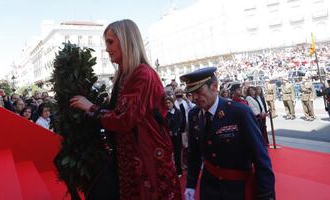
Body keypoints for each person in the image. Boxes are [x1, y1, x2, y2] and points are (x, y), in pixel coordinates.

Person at [70, 19, 181, 200]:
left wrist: (90, 107)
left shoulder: (142, 74)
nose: (107, 49)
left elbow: (123, 119)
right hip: (133, 161)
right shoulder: (126, 74)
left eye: (110, 42)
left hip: (147, 163)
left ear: (126, 41)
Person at [181, 67, 275, 200]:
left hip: (236, 189)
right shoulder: (194, 115)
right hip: (209, 187)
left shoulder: (239, 113)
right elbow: (194, 154)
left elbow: (260, 158)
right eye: (191, 92)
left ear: (214, 86)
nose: (194, 97)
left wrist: (266, 195)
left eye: (198, 91)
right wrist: (191, 184)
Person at [165, 96, 184, 177]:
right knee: (169, 153)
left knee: (177, 153)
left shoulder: (178, 112)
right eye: (166, 103)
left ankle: (179, 171)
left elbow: (179, 122)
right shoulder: (165, 113)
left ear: (173, 103)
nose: (168, 104)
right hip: (167, 136)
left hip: (176, 136)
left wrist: (173, 131)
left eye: (169, 103)